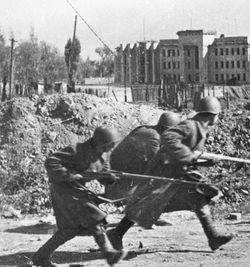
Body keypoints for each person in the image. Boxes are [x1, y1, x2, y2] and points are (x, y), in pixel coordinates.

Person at [107, 96, 234, 251]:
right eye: (218, 115)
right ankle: (116, 234)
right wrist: (190, 156)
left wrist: (210, 161)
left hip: (181, 174)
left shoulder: (200, 129)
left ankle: (212, 237)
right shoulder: (190, 126)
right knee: (145, 203)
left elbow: (193, 155)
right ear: (211, 115)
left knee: (198, 198)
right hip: (164, 173)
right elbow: (168, 137)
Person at [32, 126, 128, 267]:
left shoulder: (105, 154)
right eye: (112, 144)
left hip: (77, 190)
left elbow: (101, 173)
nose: (113, 147)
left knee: (70, 229)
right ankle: (109, 254)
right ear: (101, 143)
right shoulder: (77, 150)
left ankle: (40, 257)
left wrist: (109, 178)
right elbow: (51, 161)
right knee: (95, 218)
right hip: (63, 190)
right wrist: (69, 176)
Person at [106, 111, 182, 229]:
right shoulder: (154, 137)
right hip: (122, 168)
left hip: (127, 164)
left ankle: (150, 214)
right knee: (157, 181)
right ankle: (148, 215)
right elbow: (157, 161)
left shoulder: (151, 131)